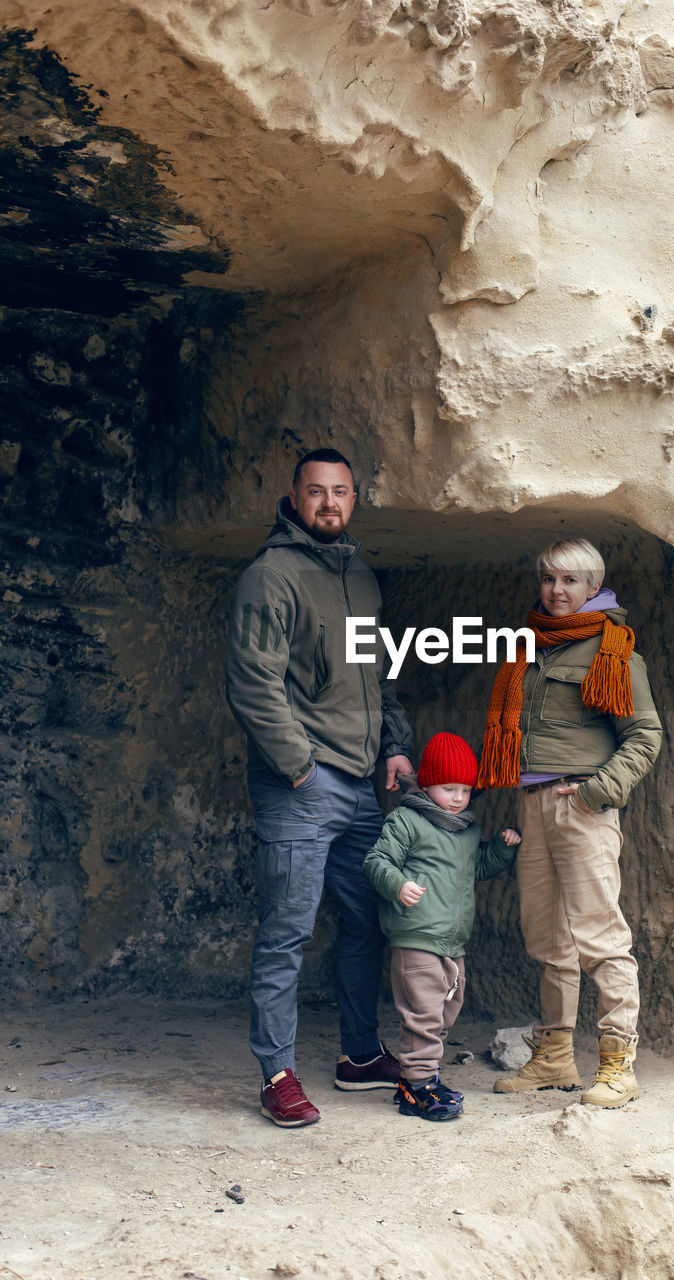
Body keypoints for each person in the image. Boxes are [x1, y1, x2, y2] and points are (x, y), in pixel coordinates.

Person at [225, 448, 415, 1128]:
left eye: (339, 491)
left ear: (354, 498)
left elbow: (379, 671)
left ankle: (359, 1056)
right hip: (300, 786)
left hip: (362, 787)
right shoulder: (270, 576)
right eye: (315, 491)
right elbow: (253, 683)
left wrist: (392, 747)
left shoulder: (360, 577)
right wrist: (298, 765)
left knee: (368, 919)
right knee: (286, 931)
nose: (328, 503)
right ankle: (277, 1074)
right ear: (294, 496)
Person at [478, 538, 662, 1108]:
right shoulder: (531, 647)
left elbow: (645, 736)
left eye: (570, 582)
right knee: (547, 938)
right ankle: (556, 1058)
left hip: (580, 806)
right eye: (549, 580)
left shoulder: (614, 651)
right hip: (531, 804)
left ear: (593, 586)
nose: (557, 591)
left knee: (600, 937)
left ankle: (617, 1063)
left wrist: (596, 793)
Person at [363, 732, 520, 1122]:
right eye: (449, 788)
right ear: (428, 783)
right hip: (417, 937)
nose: (457, 798)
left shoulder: (466, 829)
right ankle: (416, 1087)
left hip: (453, 943)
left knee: (446, 1010)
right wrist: (398, 885)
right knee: (424, 1013)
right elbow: (376, 860)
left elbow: (478, 868)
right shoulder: (407, 820)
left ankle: (424, 1078)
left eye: (465, 789)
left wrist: (501, 848)